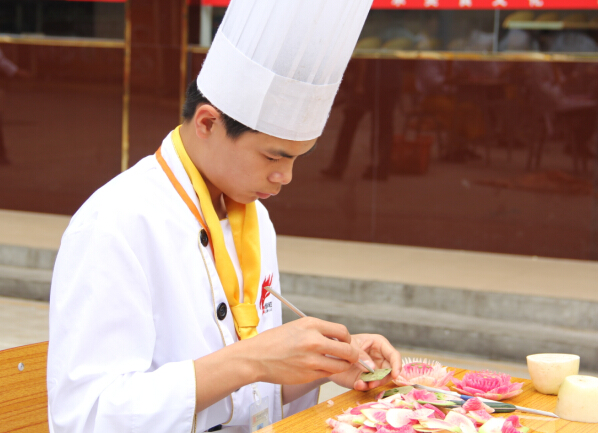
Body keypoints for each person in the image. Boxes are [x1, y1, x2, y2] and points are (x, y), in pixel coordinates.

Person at [47, 1, 402, 432]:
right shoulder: (115, 223)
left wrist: (323, 363)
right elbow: (88, 416)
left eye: (298, 159)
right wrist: (253, 358)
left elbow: (252, 401)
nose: (286, 177)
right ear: (207, 123)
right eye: (273, 156)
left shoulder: (256, 219)